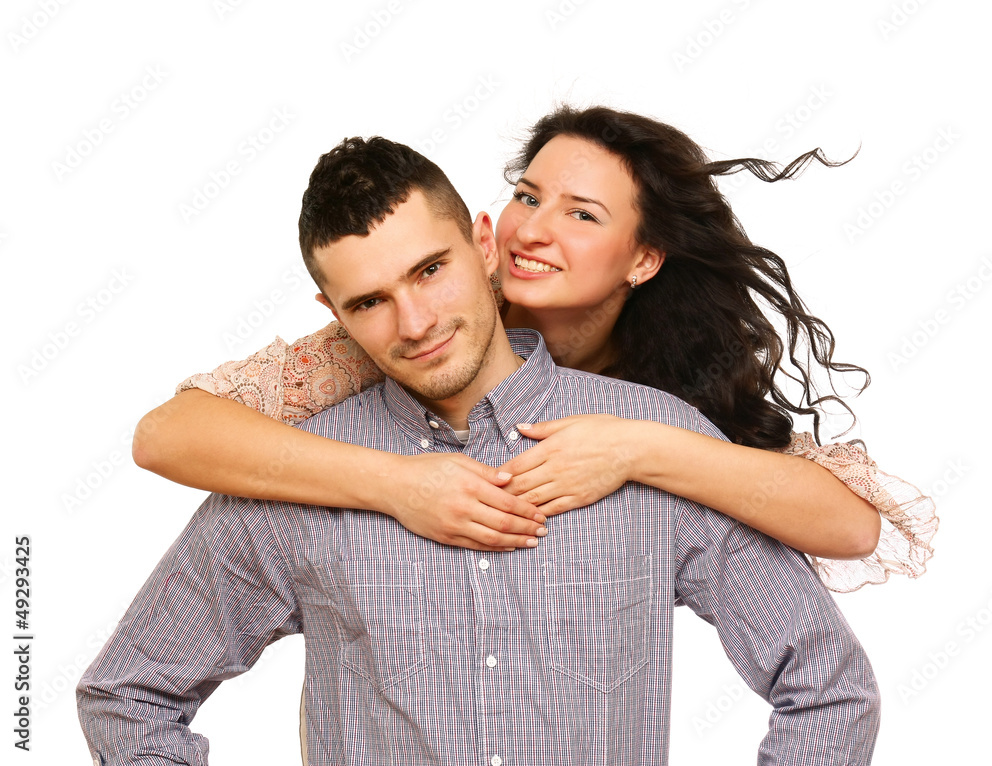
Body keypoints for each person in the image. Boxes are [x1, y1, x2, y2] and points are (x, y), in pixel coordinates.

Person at [78, 136, 880, 764]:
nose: (416, 322)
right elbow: (129, 694)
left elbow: (828, 686)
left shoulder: (649, 442)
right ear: (333, 312)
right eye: (370, 301)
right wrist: (393, 486)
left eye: (431, 270)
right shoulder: (297, 475)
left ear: (484, 246)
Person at [133, 106, 936, 592]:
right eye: (527, 196)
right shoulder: (429, 321)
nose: (533, 231)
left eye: (581, 214)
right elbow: (168, 434)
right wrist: (396, 485)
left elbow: (850, 527)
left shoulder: (669, 377)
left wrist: (638, 448)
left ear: (643, 258)